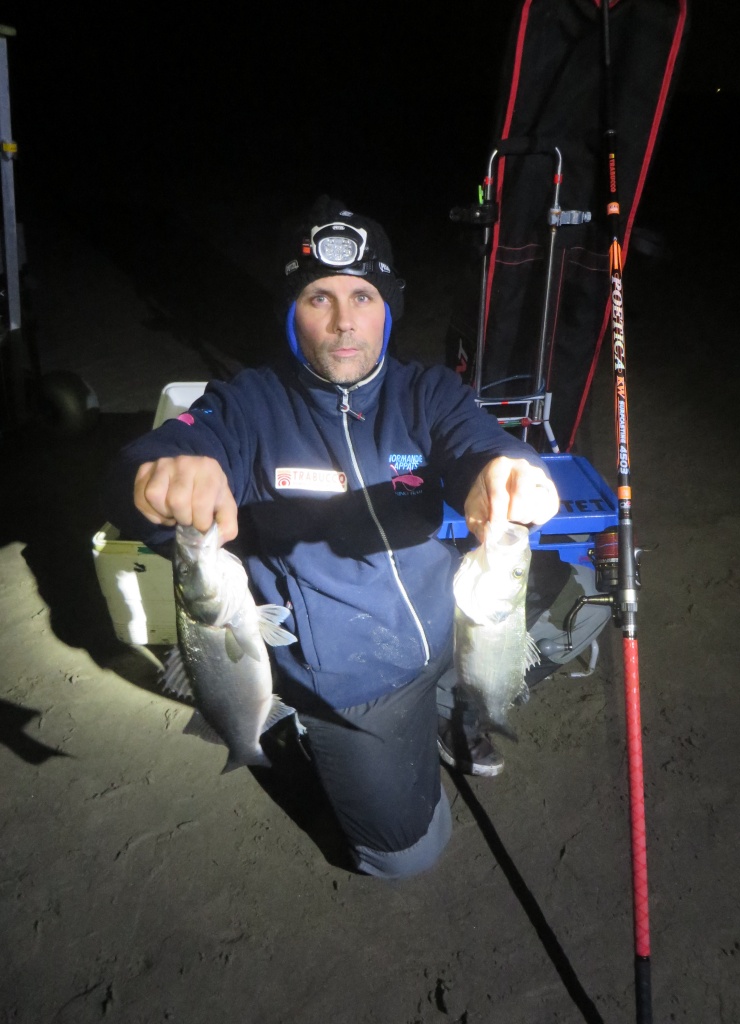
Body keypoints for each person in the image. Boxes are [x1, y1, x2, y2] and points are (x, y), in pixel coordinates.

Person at [103, 195, 559, 880]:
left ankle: (440, 710)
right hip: (351, 681)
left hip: (448, 631)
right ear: (291, 310)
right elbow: (154, 459)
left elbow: (478, 445)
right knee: (406, 858)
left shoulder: (427, 391)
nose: (345, 323)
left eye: (364, 297)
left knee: (568, 601)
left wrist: (503, 473)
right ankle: (295, 722)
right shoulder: (249, 403)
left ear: (389, 307)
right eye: (319, 297)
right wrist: (157, 475)